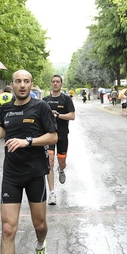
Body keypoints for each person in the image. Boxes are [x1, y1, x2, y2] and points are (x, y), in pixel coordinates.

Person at [0, 70, 57, 254]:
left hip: (35, 174)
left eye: (26, 81)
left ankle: (40, 246)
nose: (22, 85)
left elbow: (53, 137)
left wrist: (28, 141)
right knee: (7, 228)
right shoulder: (5, 108)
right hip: (12, 175)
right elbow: (4, 127)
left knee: (40, 225)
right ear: (12, 85)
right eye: (18, 81)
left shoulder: (40, 107)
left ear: (31, 84)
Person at [42, 75, 76, 205]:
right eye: (53, 81)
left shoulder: (66, 99)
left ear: (61, 84)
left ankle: (61, 170)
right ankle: (52, 193)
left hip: (62, 135)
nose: (55, 83)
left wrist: (58, 115)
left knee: (61, 161)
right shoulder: (45, 100)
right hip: (49, 135)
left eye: (58, 82)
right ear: (51, 84)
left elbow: (72, 116)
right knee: (49, 162)